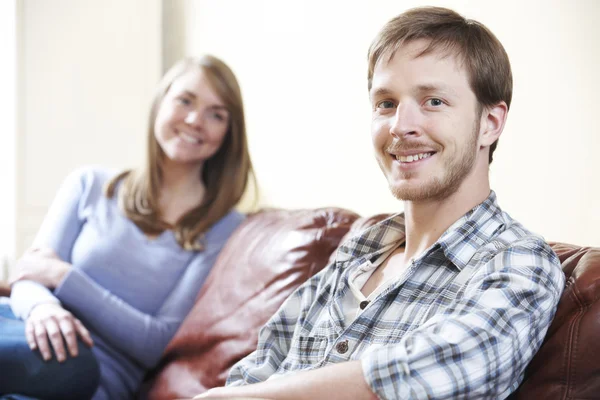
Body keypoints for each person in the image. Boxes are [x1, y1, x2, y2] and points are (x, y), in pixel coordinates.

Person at [195, 7, 565, 400]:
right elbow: (255, 372)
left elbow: (429, 375)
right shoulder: (354, 257)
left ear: (490, 123)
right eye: (386, 103)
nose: (400, 126)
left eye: (434, 101)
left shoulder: (519, 262)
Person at [0, 54, 256, 400]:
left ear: (228, 133)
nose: (196, 119)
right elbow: (29, 276)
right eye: (185, 100)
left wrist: (64, 278)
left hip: (84, 376)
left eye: (216, 114)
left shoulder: (224, 228)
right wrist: (44, 309)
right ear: (160, 103)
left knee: (70, 364)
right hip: (20, 331)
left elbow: (157, 341)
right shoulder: (88, 184)